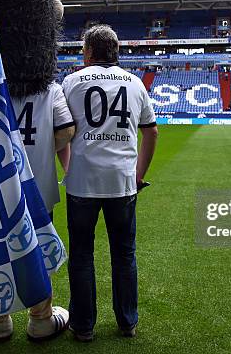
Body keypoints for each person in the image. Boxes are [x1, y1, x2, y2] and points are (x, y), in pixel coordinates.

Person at [0, 0, 72, 341]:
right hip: (39, 186)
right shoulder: (51, 91)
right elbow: (66, 132)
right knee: (37, 245)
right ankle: (41, 317)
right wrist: (39, 150)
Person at [61, 25, 158, 342]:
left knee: (81, 256)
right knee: (124, 254)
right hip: (122, 183)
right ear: (116, 51)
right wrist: (139, 174)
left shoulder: (71, 81)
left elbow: (61, 132)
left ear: (88, 52)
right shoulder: (135, 83)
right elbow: (151, 132)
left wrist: (68, 167)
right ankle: (127, 322)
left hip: (82, 183)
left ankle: (83, 326)